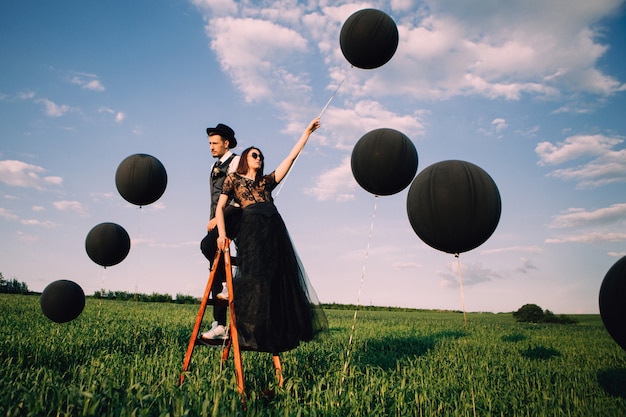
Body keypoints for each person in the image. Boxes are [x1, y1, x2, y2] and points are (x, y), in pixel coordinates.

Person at [214, 117, 327, 353]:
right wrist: (222, 235)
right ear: (245, 158)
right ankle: (246, 332)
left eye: (261, 156)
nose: (259, 158)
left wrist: (306, 133)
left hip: (274, 231)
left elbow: (291, 158)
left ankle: (273, 330)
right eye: (255, 155)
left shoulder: (266, 183)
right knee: (253, 279)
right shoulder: (234, 179)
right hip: (251, 232)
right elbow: (220, 208)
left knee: (276, 281)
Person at [200, 123, 241, 340]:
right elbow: (214, 198)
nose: (211, 147)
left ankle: (227, 284)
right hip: (218, 218)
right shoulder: (215, 165)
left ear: (226, 143)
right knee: (214, 259)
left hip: (235, 213)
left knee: (206, 246)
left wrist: (218, 218)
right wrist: (212, 219)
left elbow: (235, 193)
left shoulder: (235, 161)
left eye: (215, 143)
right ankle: (219, 324)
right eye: (209, 143)